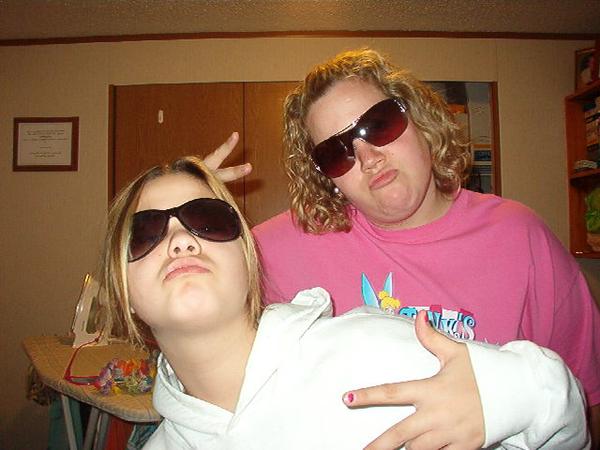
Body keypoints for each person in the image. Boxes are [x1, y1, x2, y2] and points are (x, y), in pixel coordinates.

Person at [207, 47, 600, 449]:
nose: (368, 158)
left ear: (419, 120)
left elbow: (586, 395)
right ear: (327, 178)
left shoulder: (520, 237)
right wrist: (185, 197)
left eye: (378, 125)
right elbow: (185, 295)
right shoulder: (282, 246)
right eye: (336, 153)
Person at [99, 156, 588, 449]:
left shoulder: (372, 350)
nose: (181, 241)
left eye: (208, 220)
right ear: (123, 291)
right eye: (146, 232)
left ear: (249, 259)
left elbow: (560, 423)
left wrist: (520, 390)